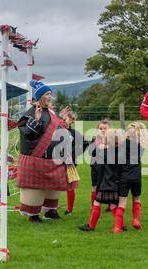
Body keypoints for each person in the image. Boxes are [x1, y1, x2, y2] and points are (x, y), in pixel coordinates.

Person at [17, 80, 79, 222]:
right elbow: (27, 133)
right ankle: (33, 215)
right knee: (35, 189)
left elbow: (56, 129)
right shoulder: (31, 113)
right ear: (39, 96)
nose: (50, 97)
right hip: (37, 161)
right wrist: (37, 121)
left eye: (50, 94)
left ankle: (51, 211)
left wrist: (63, 120)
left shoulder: (50, 113)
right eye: (46, 94)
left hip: (54, 160)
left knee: (54, 187)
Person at [78, 129, 125, 232]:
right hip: (115, 183)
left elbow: (100, 170)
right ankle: (121, 225)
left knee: (97, 203)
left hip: (105, 183)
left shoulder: (104, 153)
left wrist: (99, 186)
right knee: (113, 204)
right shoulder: (120, 151)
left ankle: (91, 226)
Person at [114, 122, 148, 234]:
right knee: (137, 199)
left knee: (122, 203)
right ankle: (135, 220)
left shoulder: (122, 145)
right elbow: (145, 137)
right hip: (136, 177)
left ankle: (117, 227)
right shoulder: (142, 145)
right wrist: (140, 128)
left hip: (124, 176)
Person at [62, 111, 89, 216]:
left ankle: (69, 210)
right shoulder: (55, 130)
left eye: (68, 119)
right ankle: (50, 209)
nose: (65, 121)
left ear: (72, 121)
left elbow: (85, 143)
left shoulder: (73, 132)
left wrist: (74, 153)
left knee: (70, 185)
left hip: (70, 163)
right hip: (55, 162)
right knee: (53, 185)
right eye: (63, 119)